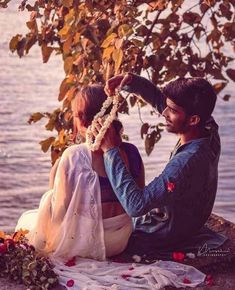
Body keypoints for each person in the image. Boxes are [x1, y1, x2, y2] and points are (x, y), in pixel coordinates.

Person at [16, 84, 145, 260]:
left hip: (90, 243)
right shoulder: (132, 152)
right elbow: (138, 202)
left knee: (28, 220)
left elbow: (60, 215)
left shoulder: (74, 155)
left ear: (81, 119)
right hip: (120, 240)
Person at [98, 73, 221, 253]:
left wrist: (110, 152)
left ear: (193, 120)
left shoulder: (185, 163)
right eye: (167, 106)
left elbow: (135, 206)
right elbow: (162, 102)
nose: (164, 113)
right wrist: (132, 82)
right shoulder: (208, 128)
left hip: (164, 233)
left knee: (96, 236)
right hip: (190, 222)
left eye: (172, 111)